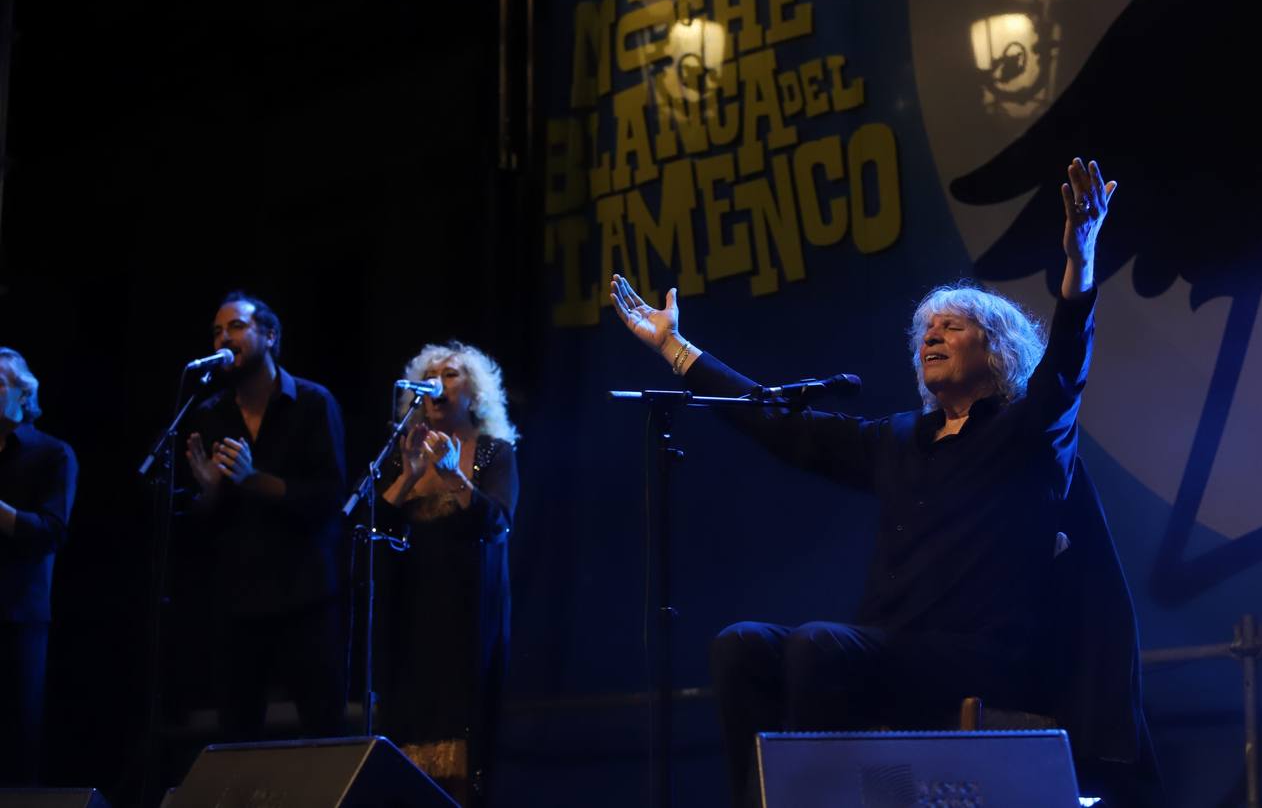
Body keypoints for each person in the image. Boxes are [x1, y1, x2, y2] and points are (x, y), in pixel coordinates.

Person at [611, 158, 1155, 806]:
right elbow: (781, 423)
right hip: (890, 647)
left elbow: (1065, 366)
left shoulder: (1027, 433)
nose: (933, 335)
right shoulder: (900, 439)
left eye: (954, 327)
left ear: (998, 350)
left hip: (984, 654)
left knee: (818, 646)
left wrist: (1080, 262)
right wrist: (678, 352)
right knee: (742, 647)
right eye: (927, 330)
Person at [183, 292, 348, 741]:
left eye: (235, 327)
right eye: (216, 330)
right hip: (236, 599)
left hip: (305, 595)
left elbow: (329, 498)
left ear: (269, 335)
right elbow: (200, 521)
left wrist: (253, 479)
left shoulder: (313, 403)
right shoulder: (208, 412)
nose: (223, 337)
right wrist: (211, 492)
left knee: (323, 731)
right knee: (236, 734)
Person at [376, 341, 519, 801]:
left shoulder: (493, 452)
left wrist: (455, 474)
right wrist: (411, 474)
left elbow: (497, 521)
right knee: (407, 730)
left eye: (452, 374)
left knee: (465, 737)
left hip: (468, 616)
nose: (438, 381)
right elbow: (376, 527)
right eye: (431, 374)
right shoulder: (402, 455)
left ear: (473, 393)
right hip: (412, 616)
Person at [0, 348, 77, 784]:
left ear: (22, 393)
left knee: (17, 746)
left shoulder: (53, 454)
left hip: (18, 619)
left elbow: (52, 531)